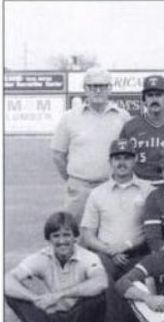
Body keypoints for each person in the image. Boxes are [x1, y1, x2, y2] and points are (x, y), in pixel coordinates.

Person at [5, 212, 108, 322]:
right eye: (56, 236)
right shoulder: (41, 257)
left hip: (80, 319)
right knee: (12, 294)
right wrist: (35, 298)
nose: (62, 241)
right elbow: (7, 281)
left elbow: (101, 282)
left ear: (75, 237)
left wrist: (58, 295)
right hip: (54, 320)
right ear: (49, 239)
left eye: (66, 235)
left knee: (99, 297)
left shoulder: (88, 257)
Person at [79, 139, 153, 322]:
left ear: (135, 160)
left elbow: (152, 230)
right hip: (106, 253)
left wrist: (126, 246)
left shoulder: (148, 190)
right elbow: (88, 235)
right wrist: (110, 251)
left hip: (138, 252)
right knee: (101, 272)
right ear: (110, 162)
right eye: (117, 158)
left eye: (127, 158)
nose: (122, 162)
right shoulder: (97, 193)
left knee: (143, 277)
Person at [51, 67, 131, 222]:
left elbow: (129, 154)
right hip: (79, 189)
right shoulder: (69, 117)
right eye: (93, 86)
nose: (98, 90)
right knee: (75, 230)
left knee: (112, 230)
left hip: (112, 187)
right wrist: (73, 180)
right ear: (85, 89)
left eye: (102, 86)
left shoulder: (122, 117)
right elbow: (58, 155)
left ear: (110, 88)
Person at [119, 74, 164, 184]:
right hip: (139, 183)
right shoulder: (130, 127)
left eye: (159, 95)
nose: (154, 99)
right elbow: (122, 160)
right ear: (144, 101)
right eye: (150, 95)